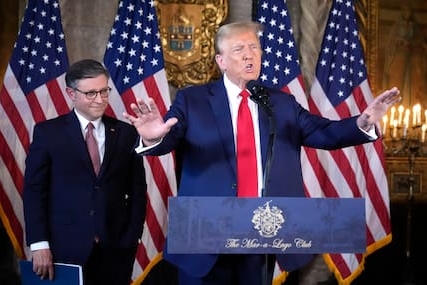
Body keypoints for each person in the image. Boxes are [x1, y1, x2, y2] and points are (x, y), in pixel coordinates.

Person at [123, 21, 401, 285]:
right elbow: (167, 139)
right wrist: (151, 137)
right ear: (221, 61)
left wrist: (362, 122)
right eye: (239, 50)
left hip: (260, 232)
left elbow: (326, 133)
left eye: (254, 48)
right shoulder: (192, 100)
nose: (249, 56)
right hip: (205, 234)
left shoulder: (281, 103)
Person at [23, 59, 147, 285]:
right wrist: (39, 243)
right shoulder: (48, 133)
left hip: (116, 249)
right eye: (91, 93)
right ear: (71, 93)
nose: (100, 100)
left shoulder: (127, 133)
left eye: (104, 91)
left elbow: (138, 189)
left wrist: (132, 237)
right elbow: (34, 191)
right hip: (62, 248)